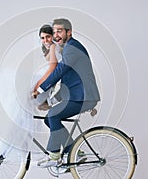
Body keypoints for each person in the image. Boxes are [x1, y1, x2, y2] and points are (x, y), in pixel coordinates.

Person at [33, 18, 100, 168]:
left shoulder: (72, 48)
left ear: (69, 32)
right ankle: (74, 152)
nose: (56, 35)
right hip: (78, 95)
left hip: (84, 96)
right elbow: (67, 82)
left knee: (53, 115)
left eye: (60, 31)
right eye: (54, 31)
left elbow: (59, 71)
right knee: (48, 120)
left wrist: (39, 89)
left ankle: (54, 155)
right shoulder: (69, 48)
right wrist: (49, 102)